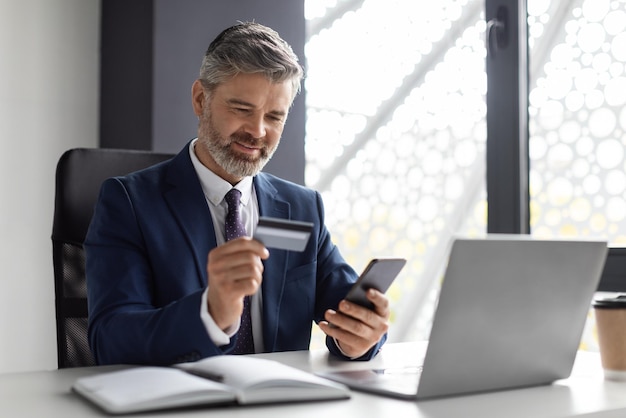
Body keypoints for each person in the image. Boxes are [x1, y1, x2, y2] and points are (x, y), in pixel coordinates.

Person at [85, 22, 390, 366]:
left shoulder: (301, 209)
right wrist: (211, 313)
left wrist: (360, 337)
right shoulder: (129, 203)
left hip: (281, 401)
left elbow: (347, 310)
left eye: (274, 116)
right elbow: (110, 340)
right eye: (242, 109)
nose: (257, 131)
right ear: (201, 99)